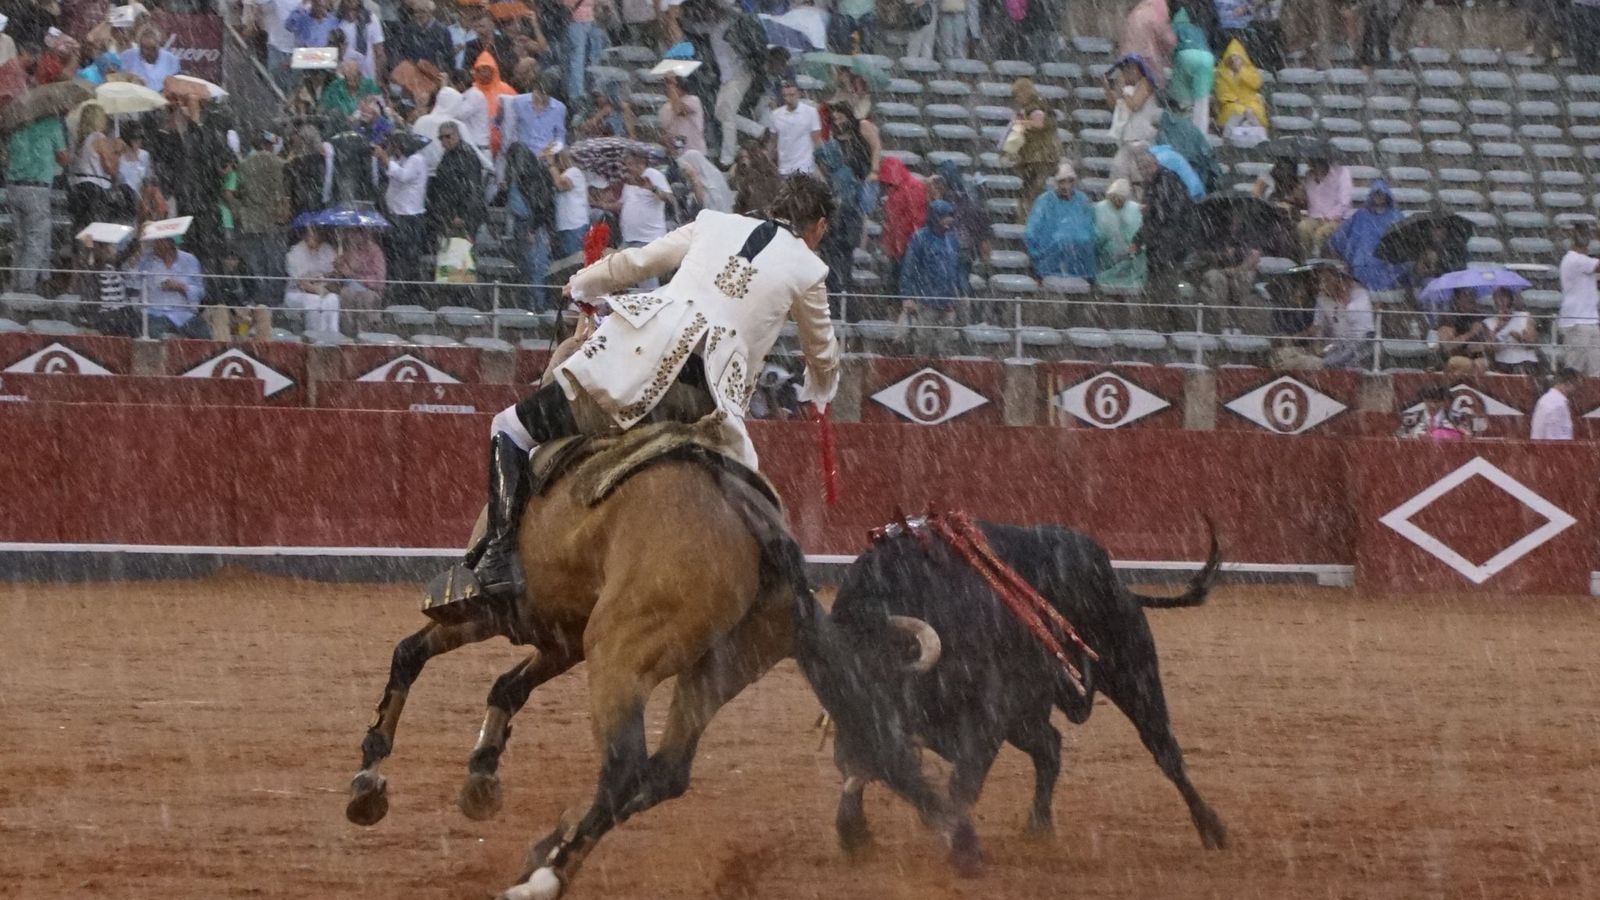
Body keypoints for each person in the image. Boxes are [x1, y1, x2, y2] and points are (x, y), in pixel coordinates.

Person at [436, 175, 842, 611]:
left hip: (632, 369)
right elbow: (822, 352)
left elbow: (636, 263)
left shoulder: (713, 222)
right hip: (707, 404)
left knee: (510, 427)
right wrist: (819, 393)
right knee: (751, 498)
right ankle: (780, 593)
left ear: (777, 204)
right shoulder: (809, 269)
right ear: (819, 226)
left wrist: (582, 285)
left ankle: (499, 558)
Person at [1132, 146, 1199, 331]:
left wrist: (1143, 239)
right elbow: (1154, 219)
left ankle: (1172, 330)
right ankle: (1167, 328)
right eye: (1141, 169)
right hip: (1163, 248)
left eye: (1146, 167)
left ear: (1154, 164)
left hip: (1170, 248)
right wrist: (1139, 239)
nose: (1144, 172)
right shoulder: (1158, 183)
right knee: (1162, 292)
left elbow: (1163, 219)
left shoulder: (1166, 182)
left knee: (1166, 292)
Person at [6, 111, 68, 293]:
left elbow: (9, 154)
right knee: (36, 240)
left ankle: (14, 285)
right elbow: (63, 158)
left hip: (14, 186)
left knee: (20, 240)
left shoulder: (17, 122)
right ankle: (25, 288)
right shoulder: (52, 123)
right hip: (37, 187)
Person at [374, 131, 430, 304]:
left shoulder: (416, 160)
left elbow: (403, 176)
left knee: (406, 261)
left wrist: (385, 158)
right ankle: (396, 293)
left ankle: (406, 296)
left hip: (409, 219)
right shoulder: (402, 160)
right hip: (396, 216)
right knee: (395, 258)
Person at [236, 131, 289, 304]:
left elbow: (240, 192)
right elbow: (282, 191)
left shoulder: (244, 165)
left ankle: (257, 298)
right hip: (273, 219)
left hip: (251, 220)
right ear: (269, 145)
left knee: (255, 263)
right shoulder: (279, 163)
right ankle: (273, 300)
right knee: (274, 262)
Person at [1327, 180, 1405, 294]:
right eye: (1376, 194)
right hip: (1362, 261)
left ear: (1387, 195)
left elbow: (1403, 239)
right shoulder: (1361, 215)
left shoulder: (1396, 216)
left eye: (1381, 194)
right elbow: (1344, 233)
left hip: (1386, 262)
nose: (1379, 197)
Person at [1024, 163, 1098, 281]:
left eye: (1070, 182)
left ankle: (1082, 274)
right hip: (1051, 241)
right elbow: (1032, 228)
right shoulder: (1045, 200)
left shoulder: (1082, 199)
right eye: (1062, 182)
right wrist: (1035, 250)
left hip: (1078, 243)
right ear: (1056, 183)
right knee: (1062, 240)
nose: (1066, 186)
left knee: (1083, 240)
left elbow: (1090, 223)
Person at [900, 197, 965, 325]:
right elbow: (909, 268)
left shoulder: (953, 240)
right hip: (925, 303)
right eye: (946, 216)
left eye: (951, 216)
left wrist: (962, 291)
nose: (950, 219)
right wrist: (907, 296)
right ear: (936, 217)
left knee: (946, 336)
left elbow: (958, 268)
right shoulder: (920, 238)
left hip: (948, 303)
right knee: (925, 335)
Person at [1301, 260, 1375, 370]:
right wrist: (1317, 347)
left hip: (1360, 348)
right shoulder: (1322, 299)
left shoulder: (1361, 297)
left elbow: (1360, 339)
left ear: (1340, 279)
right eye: (1319, 280)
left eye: (1327, 279)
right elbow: (1318, 327)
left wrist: (1323, 360)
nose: (1322, 285)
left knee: (1318, 364)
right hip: (1335, 347)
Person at [128, 235, 207, 338]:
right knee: (153, 334)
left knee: (204, 334)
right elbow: (132, 285)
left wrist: (182, 287)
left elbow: (200, 292)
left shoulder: (190, 260)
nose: (155, 245)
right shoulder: (145, 260)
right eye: (154, 241)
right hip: (153, 314)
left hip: (183, 315)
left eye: (160, 241)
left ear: (170, 243)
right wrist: (134, 265)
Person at [814, 141, 862, 303]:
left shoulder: (840, 178)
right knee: (840, 274)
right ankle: (842, 305)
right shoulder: (844, 174)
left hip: (839, 236)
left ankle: (839, 307)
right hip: (844, 234)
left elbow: (840, 207)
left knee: (837, 276)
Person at [1009, 78, 1061, 222]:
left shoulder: (1035, 107)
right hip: (1037, 157)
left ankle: (1028, 219)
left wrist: (1018, 123)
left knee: (1033, 193)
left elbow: (1038, 124)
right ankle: (1027, 217)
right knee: (1030, 191)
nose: (1017, 99)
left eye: (1018, 95)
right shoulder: (1039, 105)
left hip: (1040, 157)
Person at [1106, 56, 1163, 184]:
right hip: (1127, 142)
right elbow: (1114, 105)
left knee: (1140, 178)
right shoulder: (1127, 89)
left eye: (1131, 68)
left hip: (1143, 142)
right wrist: (1107, 88)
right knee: (1118, 174)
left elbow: (1135, 105)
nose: (1127, 72)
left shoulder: (1145, 83)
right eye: (1125, 69)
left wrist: (1123, 91)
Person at [878, 156, 927, 296]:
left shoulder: (914, 187)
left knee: (905, 282)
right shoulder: (895, 189)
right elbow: (891, 218)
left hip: (908, 245)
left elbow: (916, 219)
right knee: (896, 281)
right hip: (898, 246)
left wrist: (906, 243)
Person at [1558, 221, 1600, 376]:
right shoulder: (1574, 259)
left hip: (1590, 321)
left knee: (1596, 372)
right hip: (1576, 322)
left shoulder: (1584, 261)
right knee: (1573, 370)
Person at [500, 63, 567, 157]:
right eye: (539, 93)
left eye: (545, 95)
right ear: (534, 88)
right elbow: (508, 127)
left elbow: (560, 138)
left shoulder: (559, 108)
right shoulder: (519, 102)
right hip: (522, 155)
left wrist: (550, 152)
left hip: (546, 157)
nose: (540, 98)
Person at [284, 226, 342, 333]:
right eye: (312, 233)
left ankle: (332, 334)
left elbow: (331, 274)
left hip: (322, 290)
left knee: (333, 298)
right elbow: (302, 283)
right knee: (313, 300)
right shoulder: (295, 253)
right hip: (297, 293)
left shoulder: (326, 249)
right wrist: (318, 290)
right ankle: (314, 336)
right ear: (305, 235)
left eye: (317, 233)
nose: (316, 236)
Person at [1093, 178, 1147, 290]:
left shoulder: (1134, 209)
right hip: (1106, 252)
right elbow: (1098, 235)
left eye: (1121, 199)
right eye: (1115, 198)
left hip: (1129, 251)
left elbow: (1138, 232)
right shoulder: (1100, 208)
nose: (1118, 201)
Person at [1168, 9, 1215, 132]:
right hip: (1207, 58)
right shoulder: (1197, 29)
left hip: (1186, 55)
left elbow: (1169, 47)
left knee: (1181, 93)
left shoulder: (1174, 28)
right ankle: (1201, 134)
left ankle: (1182, 125)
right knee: (1202, 99)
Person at [334, 226, 386, 331]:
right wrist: (339, 265)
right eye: (350, 233)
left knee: (364, 298)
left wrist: (355, 275)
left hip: (370, 290)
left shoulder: (375, 252)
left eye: (356, 233)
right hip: (349, 289)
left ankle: (363, 333)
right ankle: (347, 332)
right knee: (345, 294)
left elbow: (380, 282)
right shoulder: (349, 250)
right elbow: (340, 274)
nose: (352, 236)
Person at [1298, 155, 1352, 256]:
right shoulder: (1309, 175)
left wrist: (1329, 217)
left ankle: (1320, 260)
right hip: (1315, 217)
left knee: (1320, 233)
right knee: (1302, 227)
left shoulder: (1342, 173)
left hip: (1337, 219)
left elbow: (1344, 202)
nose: (1311, 166)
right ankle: (1305, 258)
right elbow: (1306, 199)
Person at [1214, 38, 1268, 137]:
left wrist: (1241, 72)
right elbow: (1222, 92)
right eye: (1232, 59)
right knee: (1236, 110)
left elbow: (1256, 84)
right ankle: (1228, 135)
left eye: (1237, 58)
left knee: (1254, 110)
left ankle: (1259, 135)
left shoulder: (1250, 70)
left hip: (1250, 101)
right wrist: (1234, 100)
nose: (1234, 61)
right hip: (1232, 103)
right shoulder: (1222, 73)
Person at [1483, 287, 1541, 376]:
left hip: (1525, 361)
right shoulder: (1489, 322)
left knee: (1522, 371)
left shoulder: (1525, 317)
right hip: (1502, 362)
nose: (1504, 308)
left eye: (1507, 305)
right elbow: (1490, 350)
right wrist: (1497, 329)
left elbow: (1532, 345)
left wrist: (1519, 338)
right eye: (1500, 304)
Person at [768, 81, 822, 176]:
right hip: (785, 168)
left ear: (798, 94)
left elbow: (816, 139)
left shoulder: (810, 112)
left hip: (806, 166)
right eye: (785, 96)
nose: (788, 99)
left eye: (792, 95)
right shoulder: (776, 115)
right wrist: (769, 159)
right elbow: (773, 140)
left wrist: (818, 161)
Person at [1118, 0, 1176, 87]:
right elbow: (1167, 38)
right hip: (1145, 57)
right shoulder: (1159, 9)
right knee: (1154, 84)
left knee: (1131, 86)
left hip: (1128, 57)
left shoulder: (1139, 9)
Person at [1435, 287, 1490, 376]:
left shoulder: (1479, 316)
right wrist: (1470, 334)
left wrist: (1481, 347)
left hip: (1478, 359)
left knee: (1482, 363)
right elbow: (1447, 346)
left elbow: (1489, 343)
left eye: (1472, 294)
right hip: (1456, 359)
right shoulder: (1448, 317)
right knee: (1459, 363)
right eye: (1466, 294)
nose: (1471, 298)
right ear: (1458, 299)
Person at [390, 0, 454, 72]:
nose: (418, 15)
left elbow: (449, 58)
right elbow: (401, 51)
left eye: (422, 11)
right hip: (411, 73)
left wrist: (444, 72)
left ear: (430, 12)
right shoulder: (409, 29)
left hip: (432, 74)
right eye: (416, 12)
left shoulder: (442, 31)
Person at [563, 0, 608, 101]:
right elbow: (567, 4)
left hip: (593, 20)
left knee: (594, 56)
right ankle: (577, 93)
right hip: (576, 21)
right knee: (578, 57)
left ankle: (593, 88)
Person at [117, 23, 178, 90]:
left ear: (159, 44)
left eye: (152, 48)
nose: (147, 52)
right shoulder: (128, 56)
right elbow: (119, 79)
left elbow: (175, 85)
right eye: (143, 48)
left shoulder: (170, 60)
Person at [1399, 384, 1470, 440]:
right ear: (1423, 400)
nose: (1433, 405)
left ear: (1444, 401)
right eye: (1429, 401)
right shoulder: (1411, 416)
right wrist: (1413, 435)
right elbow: (1399, 436)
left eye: (1437, 402)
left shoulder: (1455, 418)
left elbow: (1468, 436)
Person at [658, 74, 706, 156]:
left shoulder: (693, 100)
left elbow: (679, 110)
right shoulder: (665, 107)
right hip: (675, 152)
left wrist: (671, 87)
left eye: (674, 86)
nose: (667, 88)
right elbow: (664, 130)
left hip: (694, 151)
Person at [677, 147, 734, 215]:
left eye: (685, 170)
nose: (685, 173)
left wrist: (694, 178)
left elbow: (703, 204)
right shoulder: (691, 183)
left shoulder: (713, 178)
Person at [731, 139, 781, 216]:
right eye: (741, 158)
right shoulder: (742, 178)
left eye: (745, 157)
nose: (743, 162)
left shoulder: (765, 179)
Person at [1530, 368, 1579, 440]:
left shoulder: (1544, 399)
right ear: (1568, 383)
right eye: (1576, 385)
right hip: (1552, 446)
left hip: (1540, 445)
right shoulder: (1559, 404)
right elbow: (1554, 437)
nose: (1575, 390)